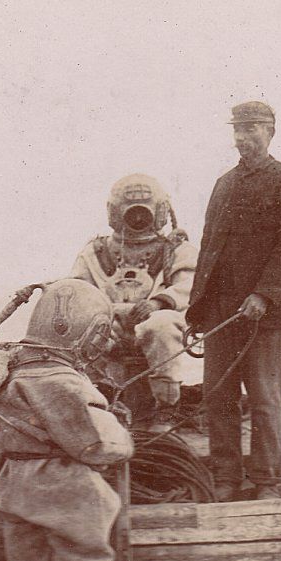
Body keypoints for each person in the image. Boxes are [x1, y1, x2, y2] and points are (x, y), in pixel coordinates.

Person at [0, 279, 134, 561]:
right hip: (66, 489)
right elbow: (93, 446)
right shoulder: (65, 383)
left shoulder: (6, 374)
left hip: (14, 487)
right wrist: (122, 438)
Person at [186, 101, 281, 502]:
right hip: (220, 311)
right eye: (237, 130)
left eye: (251, 129)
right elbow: (207, 251)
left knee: (264, 399)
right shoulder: (223, 183)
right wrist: (197, 310)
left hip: (263, 315)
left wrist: (263, 295)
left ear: (270, 130)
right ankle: (226, 478)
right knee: (217, 396)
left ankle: (267, 482)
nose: (243, 138)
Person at [69, 174, 198, 431]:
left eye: (144, 212)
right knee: (79, 324)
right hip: (110, 325)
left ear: (160, 211)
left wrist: (158, 303)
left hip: (154, 322)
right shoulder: (95, 252)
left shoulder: (175, 250)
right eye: (131, 212)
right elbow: (78, 290)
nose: (138, 219)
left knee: (162, 325)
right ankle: (99, 400)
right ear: (115, 212)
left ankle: (166, 409)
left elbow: (190, 286)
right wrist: (103, 313)